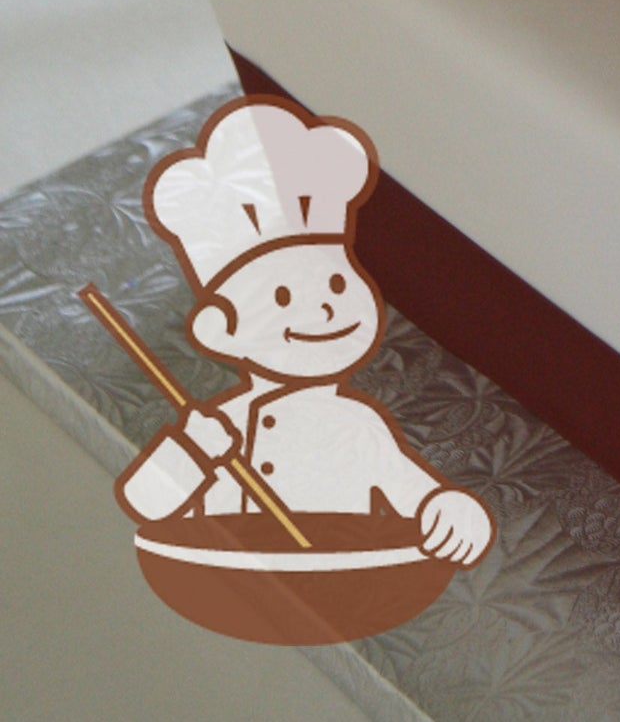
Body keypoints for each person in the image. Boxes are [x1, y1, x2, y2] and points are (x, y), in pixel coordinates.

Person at [115, 96, 494, 566]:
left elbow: (417, 494)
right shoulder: (221, 426)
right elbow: (147, 501)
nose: (324, 309)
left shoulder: (358, 425)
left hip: (342, 576)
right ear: (222, 332)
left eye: (337, 284)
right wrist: (192, 451)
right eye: (281, 299)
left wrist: (452, 510)